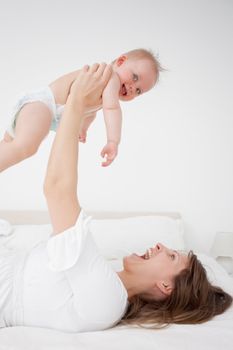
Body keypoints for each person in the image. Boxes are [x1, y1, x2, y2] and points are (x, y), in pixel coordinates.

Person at [0, 64, 232, 333]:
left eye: (170, 256)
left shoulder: (107, 300)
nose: (159, 245)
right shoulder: (107, 276)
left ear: (166, 287)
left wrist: (76, 101)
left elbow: (58, 189)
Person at [0, 49, 161, 172]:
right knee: (25, 146)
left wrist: (83, 128)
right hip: (43, 104)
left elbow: (90, 112)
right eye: (134, 77)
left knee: (8, 145)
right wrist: (113, 141)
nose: (133, 88)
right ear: (120, 61)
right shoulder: (111, 77)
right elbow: (111, 109)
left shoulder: (101, 88)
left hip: (42, 110)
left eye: (139, 91)